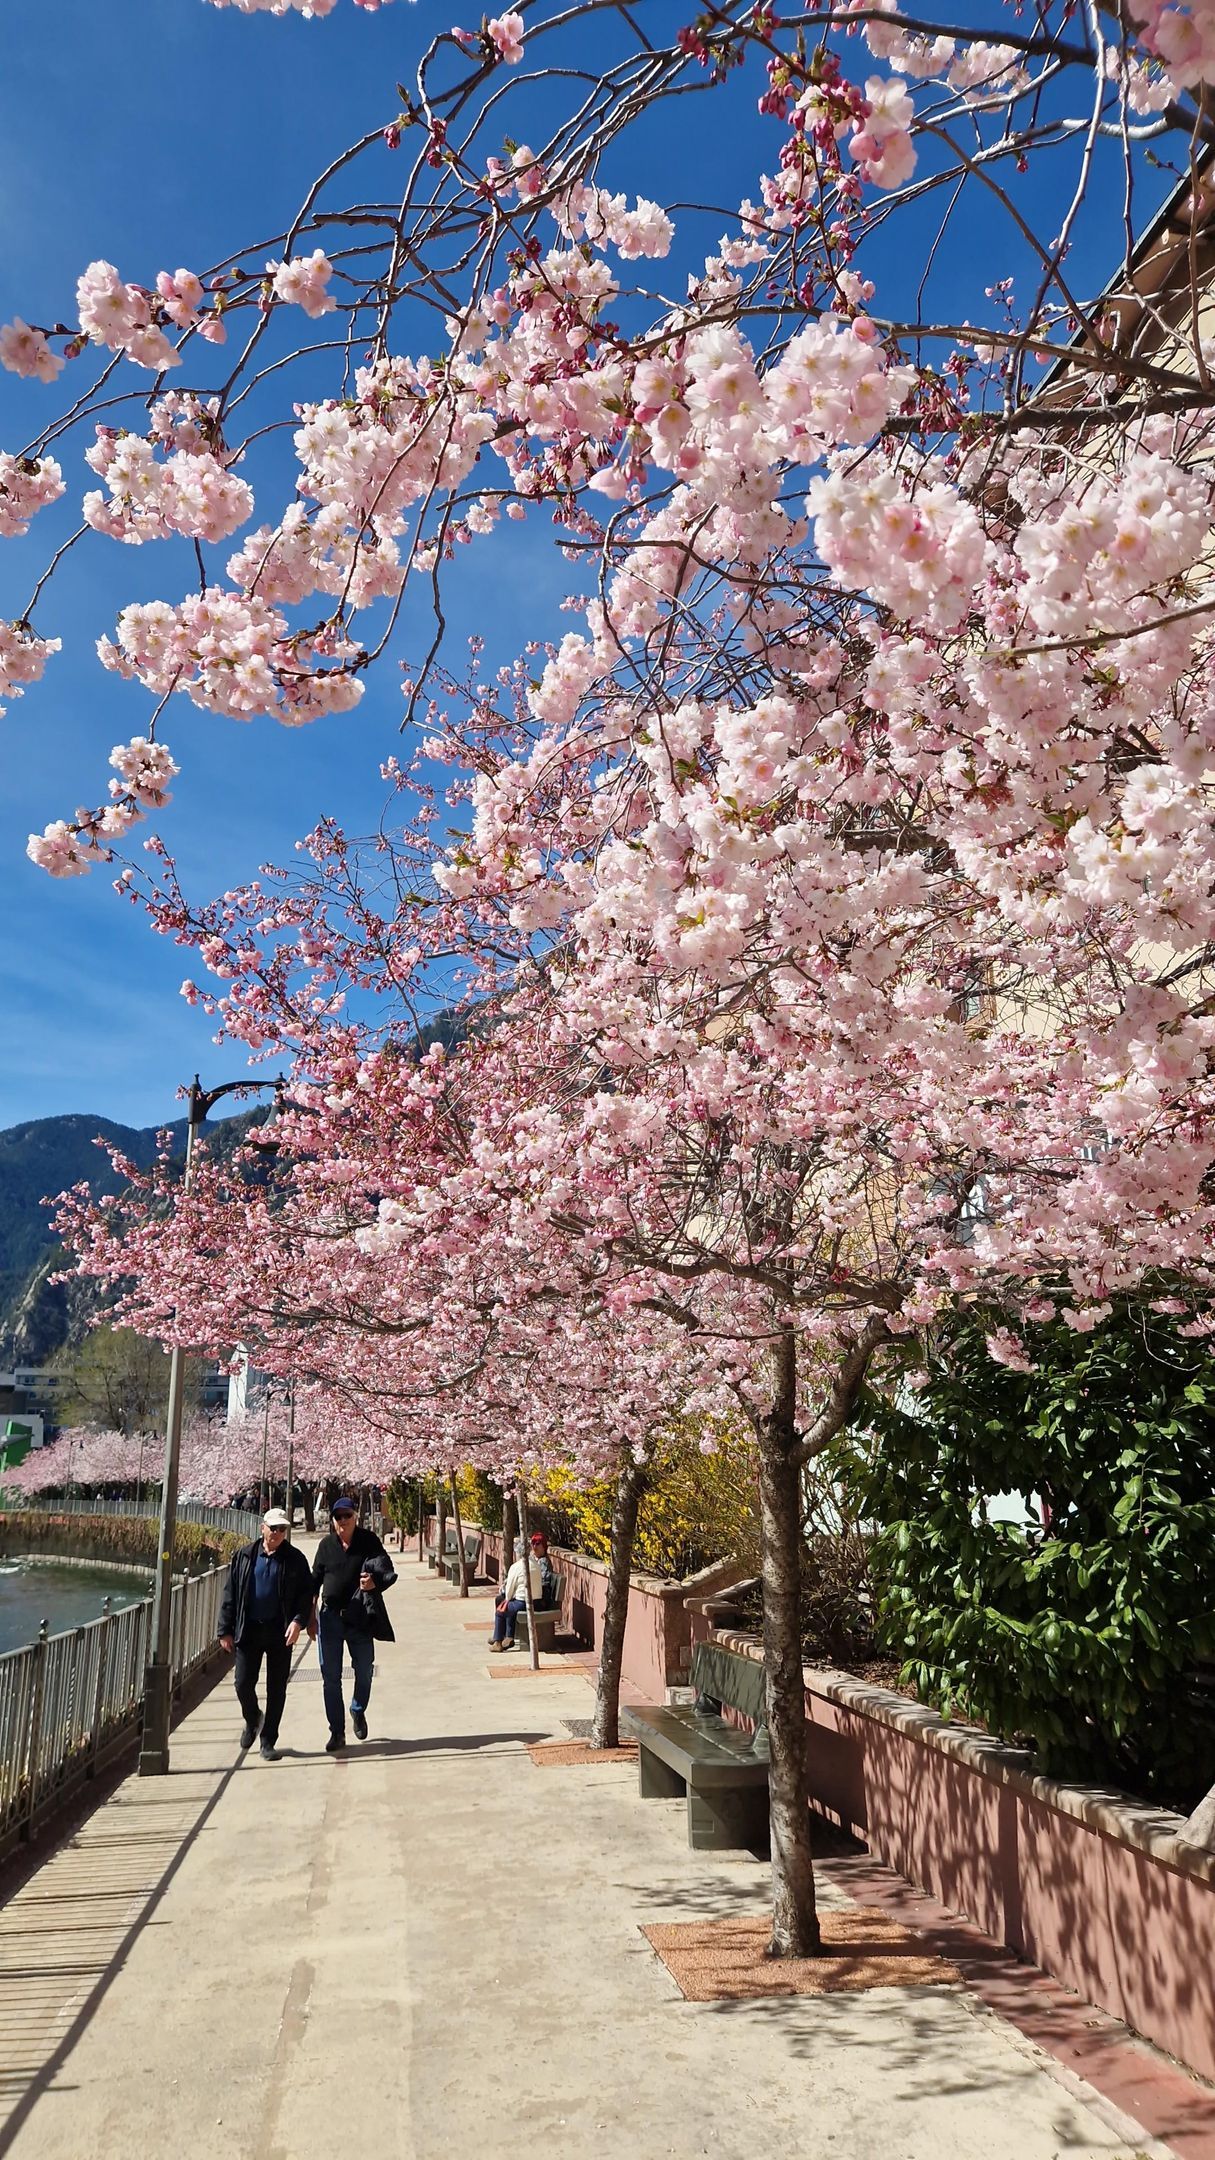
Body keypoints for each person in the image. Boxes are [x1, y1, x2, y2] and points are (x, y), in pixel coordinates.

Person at [217, 1506, 313, 1762]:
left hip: (279, 1631)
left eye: (283, 1529)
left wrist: (298, 1621)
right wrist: (224, 1630)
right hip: (249, 1629)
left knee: (276, 1687)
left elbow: (306, 1595)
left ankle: (268, 1739)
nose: (278, 1533)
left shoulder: (295, 1559)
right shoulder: (245, 1556)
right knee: (242, 1683)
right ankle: (252, 1719)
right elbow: (231, 1594)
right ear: (263, 1528)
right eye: (274, 1528)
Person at [310, 1498, 393, 1751]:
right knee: (330, 1678)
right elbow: (314, 1583)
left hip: (359, 1618)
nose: (342, 1521)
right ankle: (337, 1732)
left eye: (347, 1515)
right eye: (338, 1517)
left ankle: (358, 1709)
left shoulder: (368, 1541)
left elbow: (385, 1568)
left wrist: (374, 1583)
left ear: (355, 1516)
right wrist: (310, 1617)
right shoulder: (325, 1546)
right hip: (330, 1618)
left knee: (364, 1669)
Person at [489, 1537, 544, 1651]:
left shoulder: (516, 1567)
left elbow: (508, 1594)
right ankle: (508, 1636)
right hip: (537, 1602)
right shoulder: (536, 1564)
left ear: (517, 1552)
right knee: (508, 1606)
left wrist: (507, 1595)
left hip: (523, 1603)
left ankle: (498, 1641)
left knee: (501, 1611)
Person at [530, 1530, 557, 1610]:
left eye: (537, 1544)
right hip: (534, 1596)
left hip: (541, 1600)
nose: (534, 1547)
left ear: (544, 1546)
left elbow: (543, 1582)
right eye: (533, 1544)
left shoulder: (544, 1561)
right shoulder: (533, 1559)